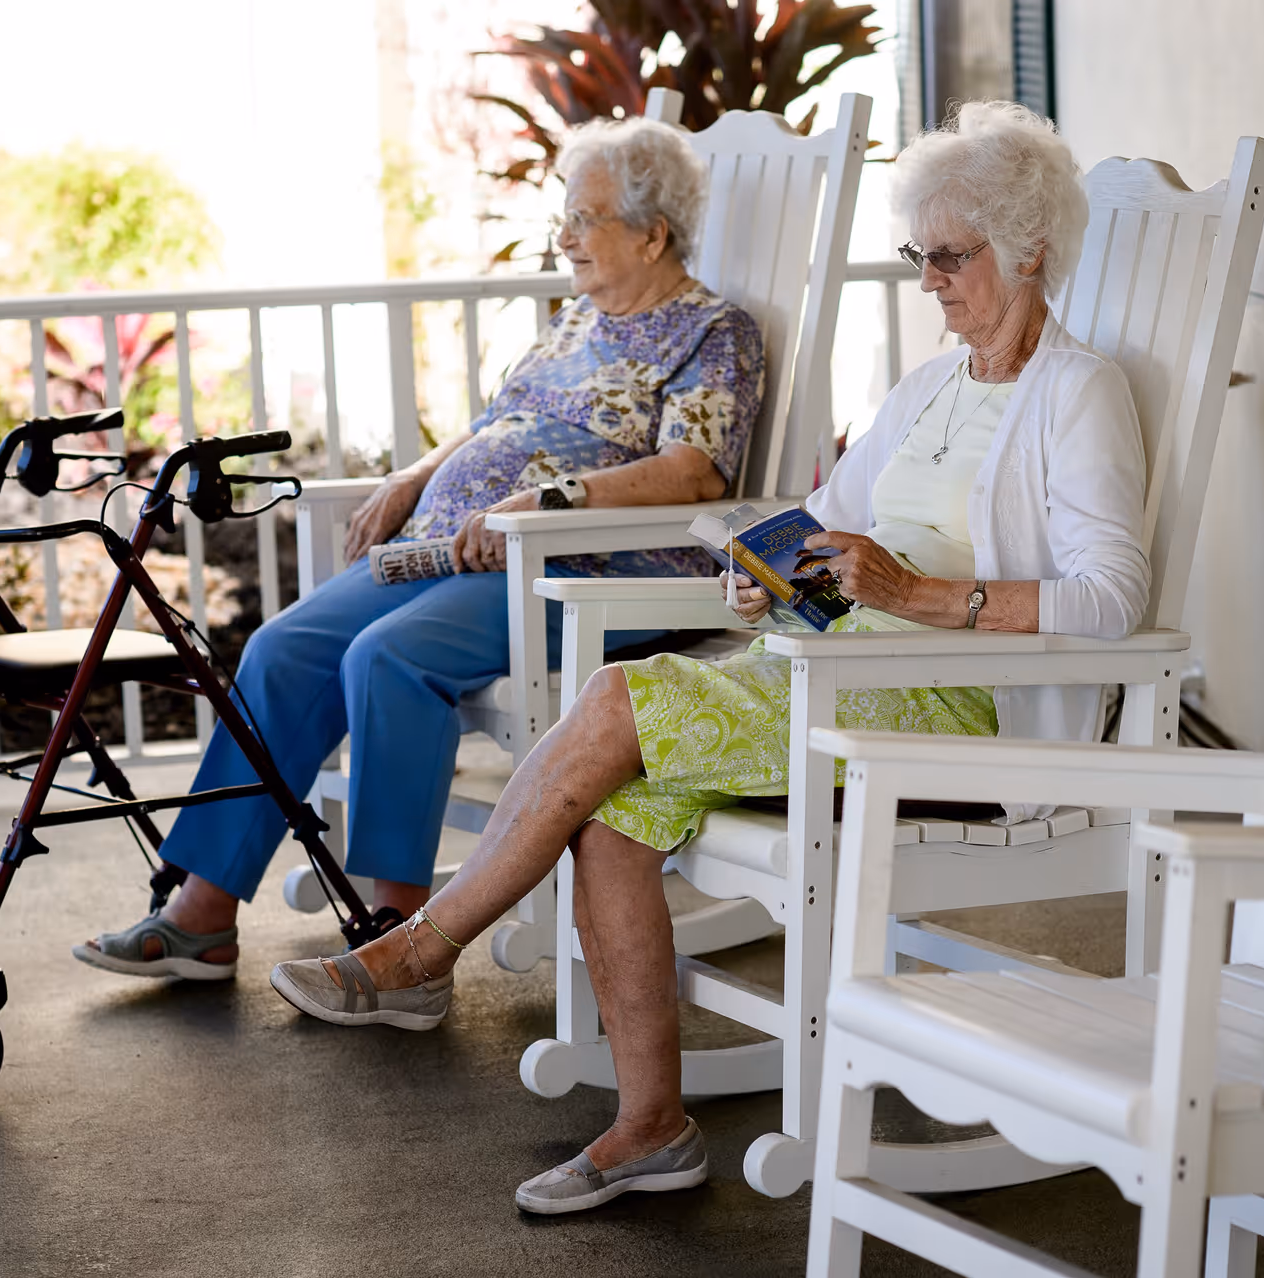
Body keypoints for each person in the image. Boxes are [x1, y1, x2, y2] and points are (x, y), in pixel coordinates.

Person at [265, 100, 1152, 1214]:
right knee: (610, 809)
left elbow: (1113, 601)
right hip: (831, 673)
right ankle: (651, 1128)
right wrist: (766, 571)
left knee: (613, 700)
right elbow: (826, 513)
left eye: (951, 255)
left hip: (944, 709)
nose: (929, 278)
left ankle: (423, 949)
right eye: (917, 254)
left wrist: (912, 592)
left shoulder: (1077, 393)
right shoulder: (929, 390)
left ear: (1030, 251)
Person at [74, 114, 765, 981]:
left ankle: (396, 933)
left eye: (585, 219)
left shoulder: (712, 331)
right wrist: (414, 475)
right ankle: (203, 912)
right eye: (568, 215)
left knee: (388, 658)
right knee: (285, 649)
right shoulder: (571, 325)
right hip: (450, 552)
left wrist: (548, 500)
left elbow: (696, 472)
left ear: (652, 232)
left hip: (581, 567)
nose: (565, 237)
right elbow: (492, 429)